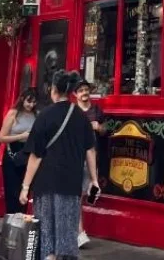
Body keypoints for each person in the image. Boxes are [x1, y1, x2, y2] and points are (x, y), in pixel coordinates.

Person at [21, 70, 99, 260]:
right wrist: (94, 180)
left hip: (45, 183)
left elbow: (36, 156)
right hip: (71, 183)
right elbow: (90, 150)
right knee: (66, 239)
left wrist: (25, 186)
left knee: (46, 237)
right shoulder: (81, 117)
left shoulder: (44, 116)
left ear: (54, 90)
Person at [73, 79, 105, 248]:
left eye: (86, 90)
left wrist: (99, 127)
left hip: (93, 157)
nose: (84, 93)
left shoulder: (96, 110)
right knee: (77, 195)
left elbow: (106, 129)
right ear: (75, 94)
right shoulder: (73, 111)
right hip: (76, 157)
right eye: (81, 91)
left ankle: (75, 229)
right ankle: (79, 232)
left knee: (86, 193)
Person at [0, 88, 38, 215]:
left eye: (34, 102)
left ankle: (21, 225)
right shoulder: (13, 114)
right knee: (12, 191)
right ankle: (11, 223)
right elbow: (1, 138)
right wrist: (22, 136)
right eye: (28, 102)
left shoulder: (36, 115)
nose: (31, 105)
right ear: (22, 99)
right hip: (13, 154)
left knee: (24, 191)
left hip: (28, 155)